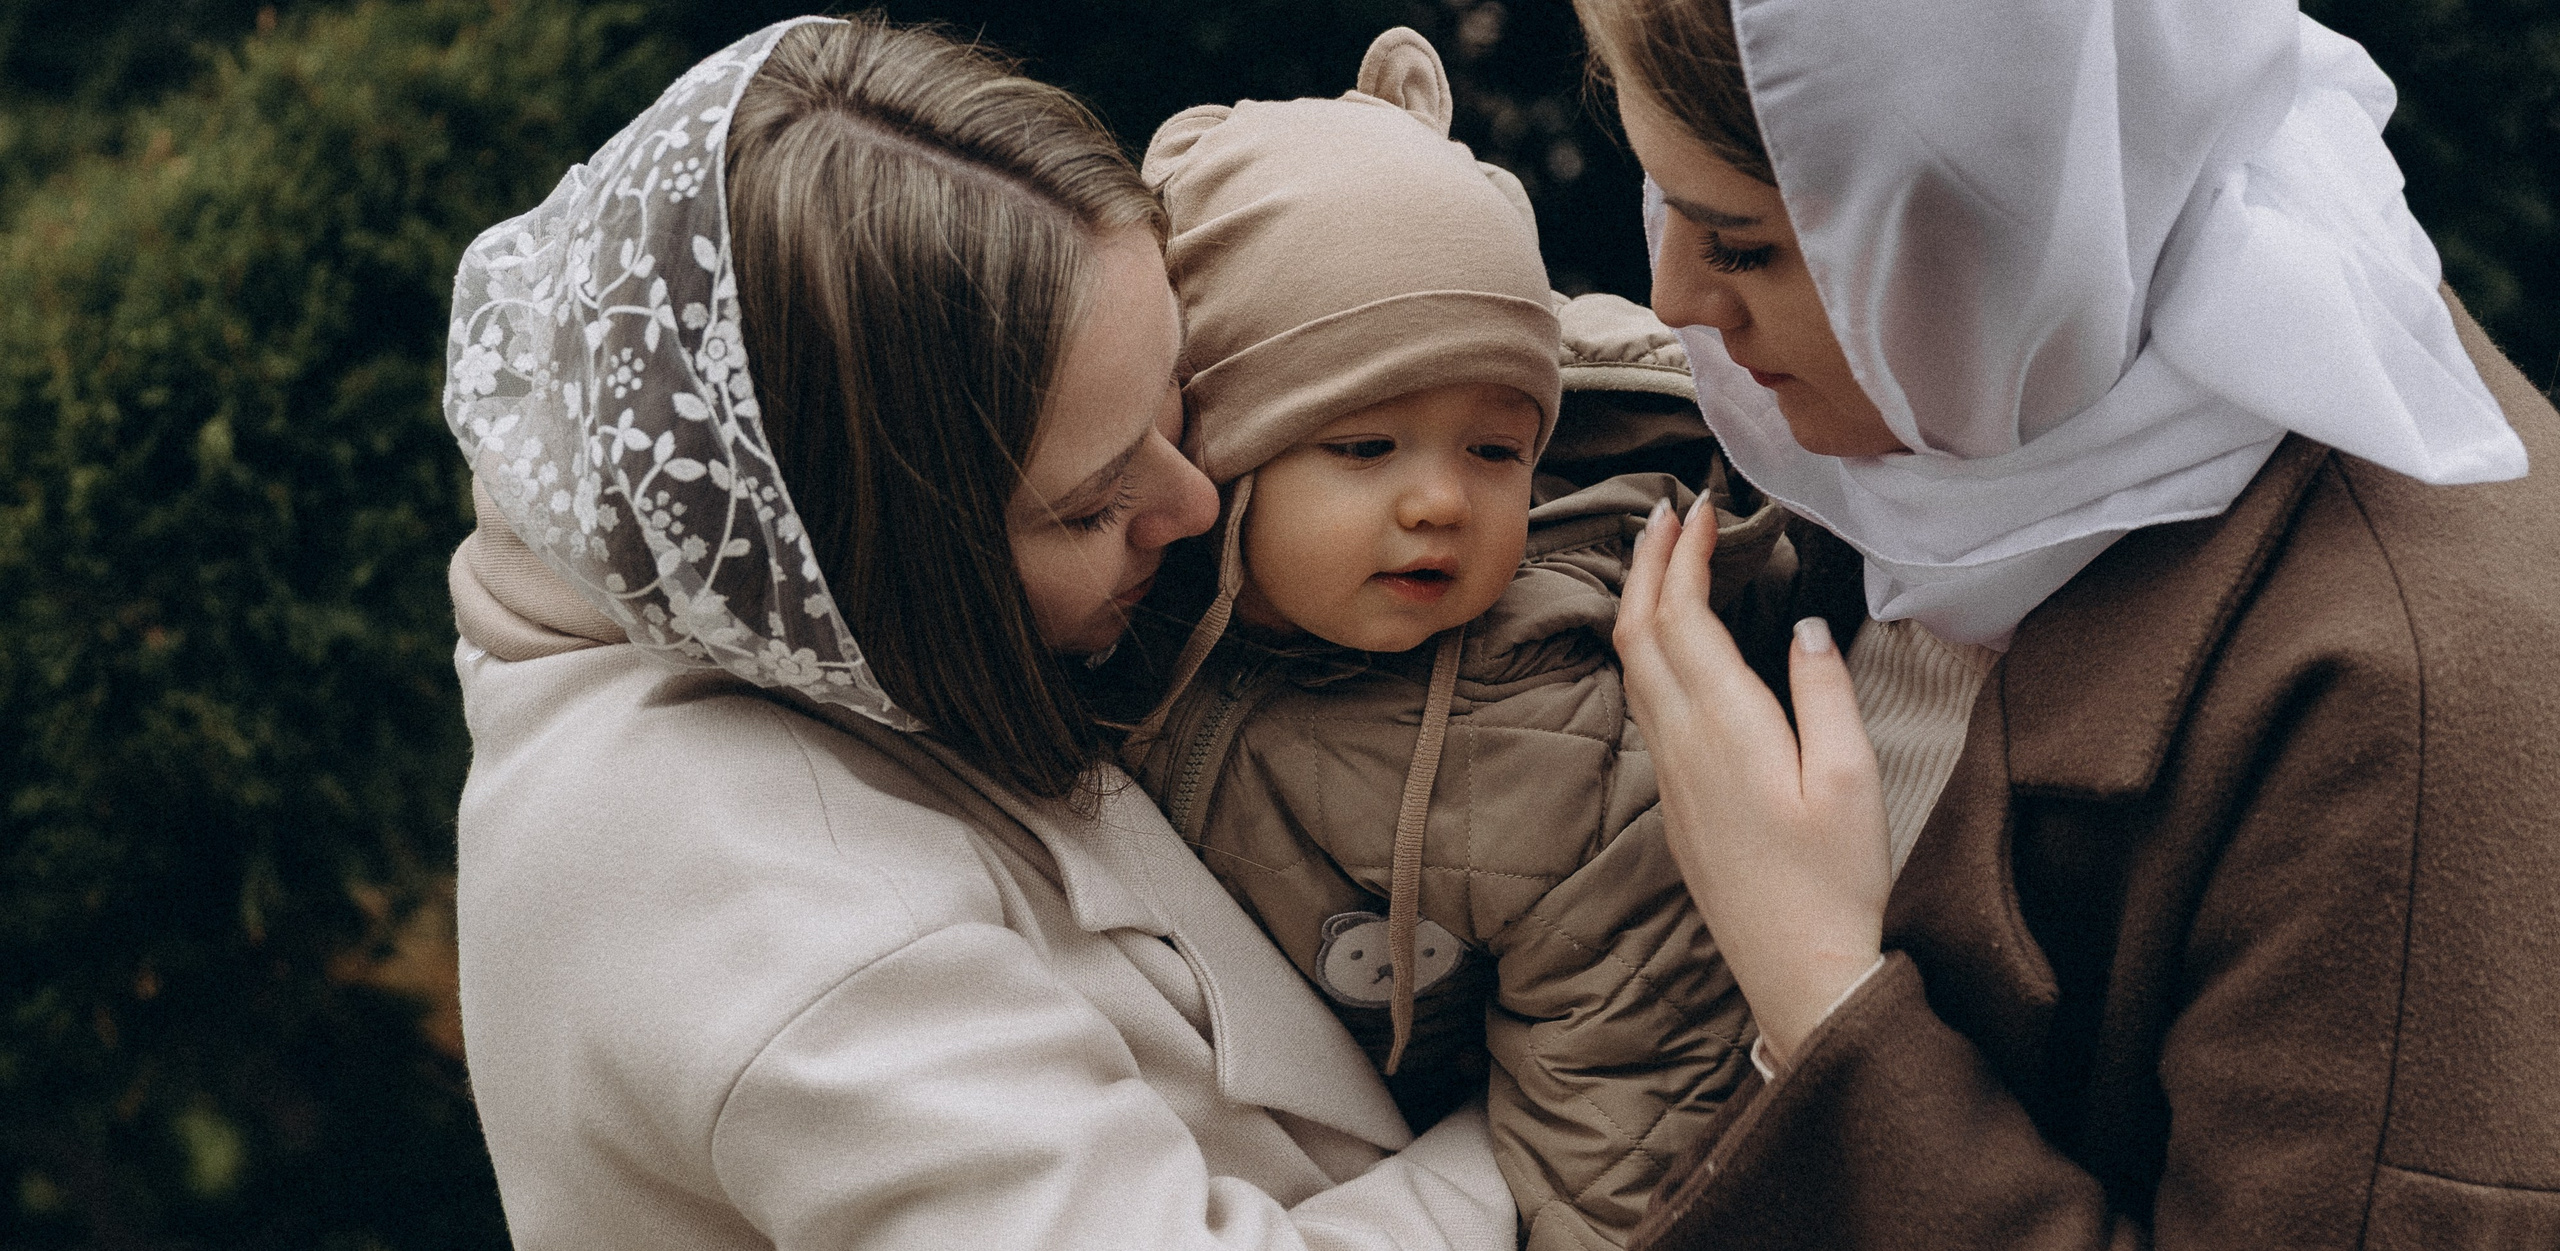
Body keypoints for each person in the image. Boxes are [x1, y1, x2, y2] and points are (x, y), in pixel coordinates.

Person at [438, 16, 1522, 1249]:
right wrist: (1625, 1072)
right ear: (873, 560)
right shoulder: (783, 939)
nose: (1193, 500)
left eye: (1176, 388)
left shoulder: (724, 584)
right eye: (1093, 502)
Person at [1570, 0, 2560, 1246]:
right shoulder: (1960, 381)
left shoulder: (2407, 698)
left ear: (2003, 212)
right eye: (1664, 204)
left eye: (1746, 246)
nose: (1673, 299)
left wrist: (1818, 991)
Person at [1116, 31, 1786, 1248]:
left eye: (1494, 450)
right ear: (1213, 444)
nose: (1439, 502)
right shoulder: (1113, 624)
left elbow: (1625, 1099)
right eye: (1364, 448)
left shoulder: (1559, 737)